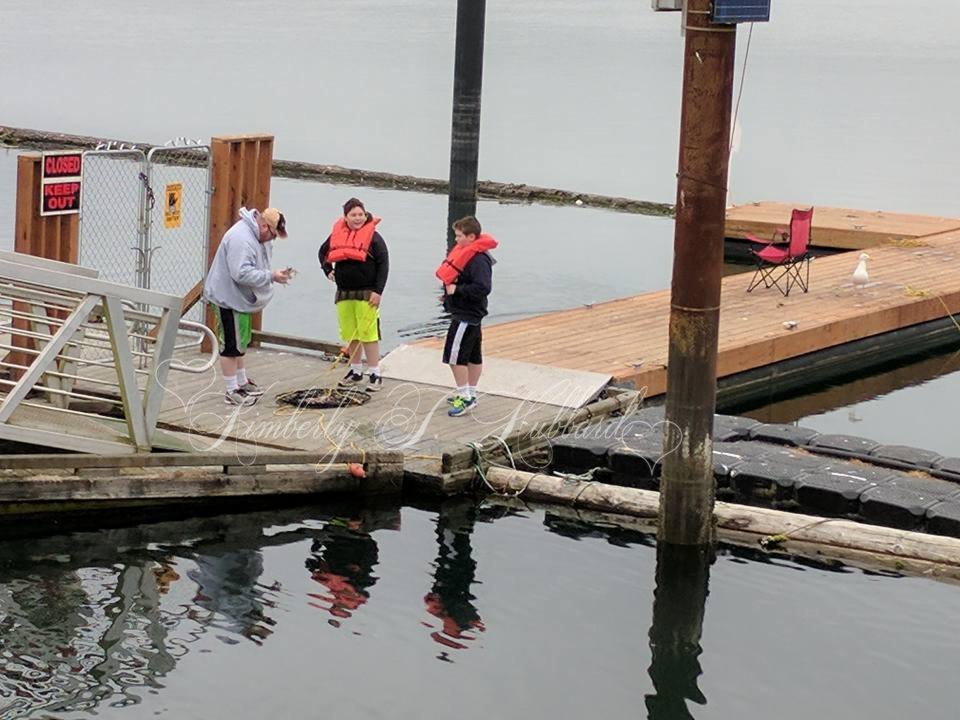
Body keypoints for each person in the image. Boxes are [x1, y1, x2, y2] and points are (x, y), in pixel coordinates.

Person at [203, 207, 291, 406]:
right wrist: (271, 276)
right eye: (273, 235)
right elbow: (240, 273)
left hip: (241, 298)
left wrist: (274, 275)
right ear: (263, 226)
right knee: (230, 345)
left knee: (240, 341)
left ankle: (241, 382)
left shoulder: (259, 237)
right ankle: (231, 390)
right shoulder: (241, 239)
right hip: (227, 297)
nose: (272, 240)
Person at [318, 198, 389, 393]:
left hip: (367, 293)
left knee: (368, 334)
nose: (357, 218)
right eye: (353, 215)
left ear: (365, 215)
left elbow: (384, 264)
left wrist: (378, 291)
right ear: (345, 217)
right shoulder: (336, 235)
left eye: (360, 215)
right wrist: (327, 270)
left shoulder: (374, 238)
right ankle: (355, 370)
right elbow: (322, 252)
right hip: (344, 293)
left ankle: (375, 373)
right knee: (350, 334)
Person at [435, 216, 498, 417]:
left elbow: (483, 287)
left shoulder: (478, 259)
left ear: (472, 237)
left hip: (466, 315)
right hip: (470, 313)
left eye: (460, 236)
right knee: (473, 355)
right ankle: (471, 392)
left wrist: (457, 290)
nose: (456, 240)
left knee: (455, 357)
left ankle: (465, 397)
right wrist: (448, 296)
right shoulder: (469, 254)